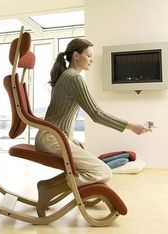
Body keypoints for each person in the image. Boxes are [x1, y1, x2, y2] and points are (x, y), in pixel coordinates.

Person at [35, 38, 151, 188]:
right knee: (104, 171)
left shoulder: (65, 76)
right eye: (89, 56)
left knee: (95, 169)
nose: (92, 60)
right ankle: (48, 188)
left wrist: (70, 138)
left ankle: (52, 187)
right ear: (76, 55)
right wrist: (132, 126)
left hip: (52, 137)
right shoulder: (74, 78)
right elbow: (97, 114)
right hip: (52, 139)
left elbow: (58, 116)